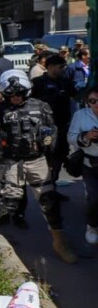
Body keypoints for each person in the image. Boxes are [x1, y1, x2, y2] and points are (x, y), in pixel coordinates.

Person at [0, 70, 76, 263]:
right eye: (11, 95)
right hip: (12, 161)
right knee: (8, 201)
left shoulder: (41, 106)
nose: (15, 98)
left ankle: (59, 243)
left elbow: (52, 130)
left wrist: (49, 143)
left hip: (36, 160)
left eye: (19, 94)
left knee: (49, 202)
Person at [31, 53, 75, 185]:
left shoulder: (65, 82)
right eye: (60, 66)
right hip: (45, 126)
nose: (63, 69)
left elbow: (76, 95)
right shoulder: (38, 83)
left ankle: (53, 181)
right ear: (50, 67)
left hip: (62, 125)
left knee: (61, 153)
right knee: (47, 155)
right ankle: (48, 187)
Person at [67, 86, 98, 245]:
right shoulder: (80, 116)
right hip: (90, 164)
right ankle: (92, 226)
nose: (96, 104)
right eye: (93, 101)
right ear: (88, 102)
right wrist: (86, 136)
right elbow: (71, 137)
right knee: (94, 198)